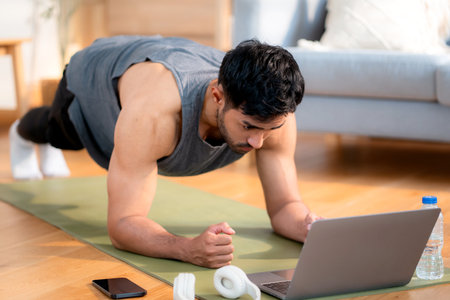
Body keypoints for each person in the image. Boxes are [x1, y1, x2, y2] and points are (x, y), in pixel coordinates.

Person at [9, 36, 320, 268]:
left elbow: (284, 207)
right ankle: (21, 131)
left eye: (269, 130)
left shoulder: (274, 114)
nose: (259, 143)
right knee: (61, 134)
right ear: (217, 96)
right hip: (95, 75)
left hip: (166, 55)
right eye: (249, 127)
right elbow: (123, 224)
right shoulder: (153, 115)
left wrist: (313, 229)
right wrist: (186, 248)